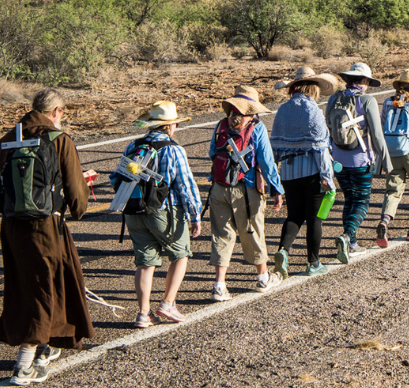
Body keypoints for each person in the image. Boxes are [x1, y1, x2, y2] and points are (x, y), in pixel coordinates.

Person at [0, 88, 93, 385]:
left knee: (29, 284)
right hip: (46, 226)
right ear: (57, 111)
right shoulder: (59, 140)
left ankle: (45, 347)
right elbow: (77, 198)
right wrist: (81, 199)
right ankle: (24, 365)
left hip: (12, 226)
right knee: (43, 289)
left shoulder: (6, 141)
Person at [110, 100, 202, 329]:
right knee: (180, 254)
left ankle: (143, 313)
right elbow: (185, 185)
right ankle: (168, 303)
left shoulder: (133, 145)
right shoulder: (173, 149)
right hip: (163, 211)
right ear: (170, 126)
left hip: (133, 211)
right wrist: (195, 215)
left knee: (145, 261)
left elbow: (116, 177)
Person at [209, 85, 284, 300]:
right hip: (246, 189)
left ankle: (219, 286)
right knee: (252, 231)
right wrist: (276, 189)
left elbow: (212, 154)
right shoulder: (256, 127)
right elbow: (267, 163)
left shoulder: (221, 125)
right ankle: (262, 278)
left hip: (218, 188)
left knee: (222, 235)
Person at [270, 67, 340, 278]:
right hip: (312, 173)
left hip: (289, 173)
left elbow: (275, 146)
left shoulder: (283, 110)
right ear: (314, 88)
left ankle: (283, 250)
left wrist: (275, 181)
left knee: (294, 216)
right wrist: (327, 178)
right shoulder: (313, 111)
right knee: (314, 219)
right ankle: (313, 262)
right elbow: (320, 147)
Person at [325, 63, 388, 264]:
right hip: (360, 158)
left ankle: (352, 244)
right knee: (362, 201)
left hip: (338, 160)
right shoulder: (367, 100)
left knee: (349, 199)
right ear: (366, 81)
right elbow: (377, 134)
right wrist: (385, 161)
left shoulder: (334, 98)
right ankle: (346, 235)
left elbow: (328, 125)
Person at [374, 68, 409, 244]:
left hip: (392, 153)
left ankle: (385, 220)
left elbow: (382, 128)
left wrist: (382, 156)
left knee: (393, 190)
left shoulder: (387, 102)